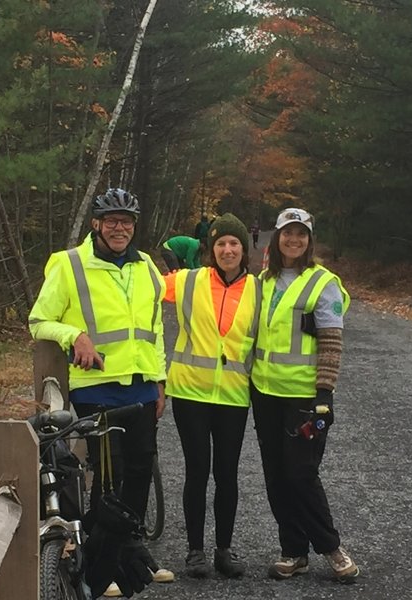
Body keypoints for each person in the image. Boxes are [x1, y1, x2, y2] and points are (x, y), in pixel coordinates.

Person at [28, 188, 174, 596]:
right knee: (110, 476)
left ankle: (131, 551)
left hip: (142, 387)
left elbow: (154, 329)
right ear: (96, 223)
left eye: (126, 221)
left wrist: (159, 381)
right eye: (111, 220)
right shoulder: (69, 264)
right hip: (98, 387)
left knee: (141, 470)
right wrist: (74, 334)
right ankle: (102, 566)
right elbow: (39, 321)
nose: (119, 228)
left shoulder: (146, 266)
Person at [250, 207, 359, 583]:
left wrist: (324, 394)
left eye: (301, 234)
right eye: (287, 233)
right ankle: (293, 552)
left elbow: (331, 344)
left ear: (309, 240)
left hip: (304, 397)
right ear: (277, 238)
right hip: (265, 393)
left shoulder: (322, 282)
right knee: (276, 477)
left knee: (301, 474)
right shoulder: (262, 282)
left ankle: (331, 547)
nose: (293, 240)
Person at [163, 213, 260, 579]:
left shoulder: (259, 289)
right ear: (210, 249)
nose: (228, 249)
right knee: (197, 471)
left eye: (234, 243)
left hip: (233, 396)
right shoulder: (188, 282)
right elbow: (141, 291)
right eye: (221, 243)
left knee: (227, 474)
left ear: (243, 249)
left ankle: (224, 549)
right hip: (190, 392)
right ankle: (195, 552)